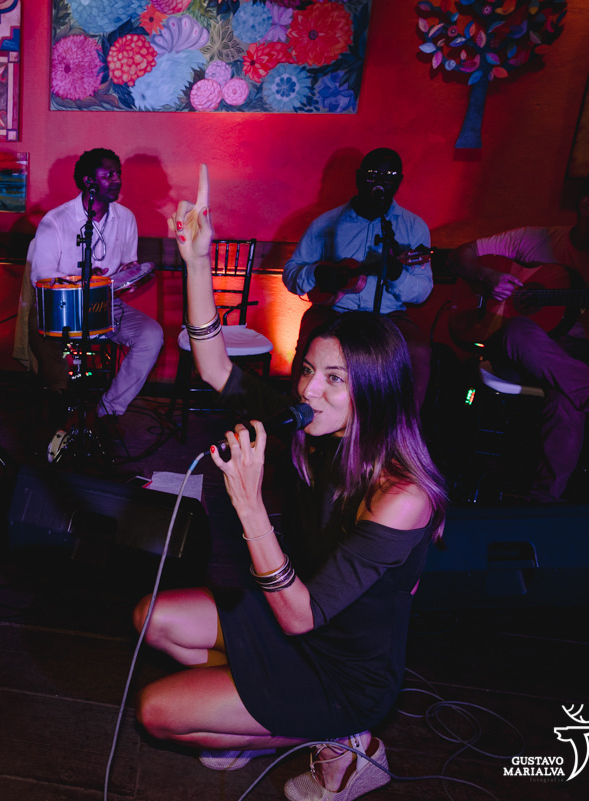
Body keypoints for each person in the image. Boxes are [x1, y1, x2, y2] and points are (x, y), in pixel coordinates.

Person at [133, 165, 446, 800]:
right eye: (308, 370)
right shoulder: (313, 428)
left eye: (334, 378)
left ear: (376, 390)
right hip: (286, 619)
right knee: (152, 619)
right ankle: (264, 713)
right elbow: (216, 364)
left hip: (339, 667)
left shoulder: (402, 494)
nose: (308, 389)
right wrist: (196, 260)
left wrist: (248, 503)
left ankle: (345, 740)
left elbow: (304, 615)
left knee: (157, 713)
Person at [449, 165, 589, 503]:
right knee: (520, 327)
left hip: (583, 355)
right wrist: (488, 276)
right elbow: (460, 256)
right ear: (587, 206)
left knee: (567, 401)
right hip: (521, 350)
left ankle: (541, 505)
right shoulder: (538, 239)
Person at [283, 148, 434, 408]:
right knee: (311, 340)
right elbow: (291, 273)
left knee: (418, 352)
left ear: (399, 181)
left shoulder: (413, 227)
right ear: (358, 178)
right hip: (334, 311)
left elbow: (422, 291)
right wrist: (316, 272)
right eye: (372, 174)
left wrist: (396, 274)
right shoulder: (326, 222)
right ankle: (302, 423)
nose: (380, 181)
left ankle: (404, 433)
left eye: (389, 175)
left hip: (389, 315)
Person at [27, 148, 163, 429]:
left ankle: (107, 408)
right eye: (108, 174)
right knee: (47, 345)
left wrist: (127, 275)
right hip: (62, 309)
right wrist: (82, 281)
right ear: (89, 181)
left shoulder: (126, 218)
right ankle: (61, 410)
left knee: (151, 335)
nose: (116, 180)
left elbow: (127, 266)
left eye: (118, 174)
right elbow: (41, 277)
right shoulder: (56, 220)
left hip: (106, 306)